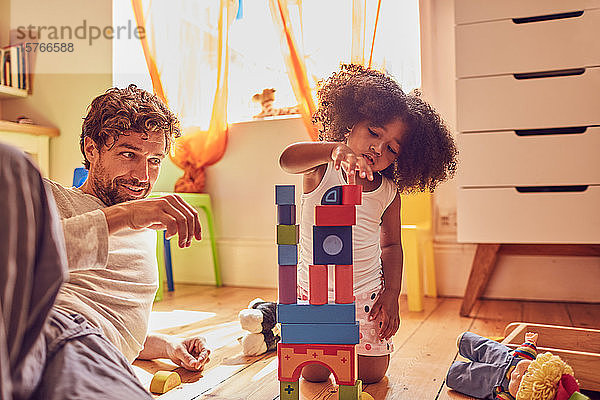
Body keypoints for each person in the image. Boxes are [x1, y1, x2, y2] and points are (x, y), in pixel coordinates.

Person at [0, 85, 210, 399]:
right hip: (39, 327)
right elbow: (25, 259)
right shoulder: (53, 199)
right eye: (129, 154)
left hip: (90, 352)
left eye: (155, 160)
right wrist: (125, 216)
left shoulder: (144, 225)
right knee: (9, 163)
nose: (142, 175)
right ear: (91, 149)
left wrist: (166, 345)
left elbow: (109, 321)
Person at [279, 63, 458, 383]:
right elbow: (287, 159)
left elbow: (391, 245)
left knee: (373, 375)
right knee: (313, 374)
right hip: (315, 293)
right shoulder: (321, 170)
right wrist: (334, 151)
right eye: (374, 133)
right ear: (349, 125)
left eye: (391, 148)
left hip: (365, 298)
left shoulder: (388, 192)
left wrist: (392, 294)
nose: (377, 148)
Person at [446, 331, 586, 400]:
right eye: (525, 373)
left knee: (471, 377)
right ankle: (465, 342)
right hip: (500, 355)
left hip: (489, 381)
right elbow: (528, 349)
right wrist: (530, 341)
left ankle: (454, 373)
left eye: (520, 386)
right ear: (536, 363)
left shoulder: (508, 396)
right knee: (486, 347)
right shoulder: (525, 358)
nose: (517, 376)